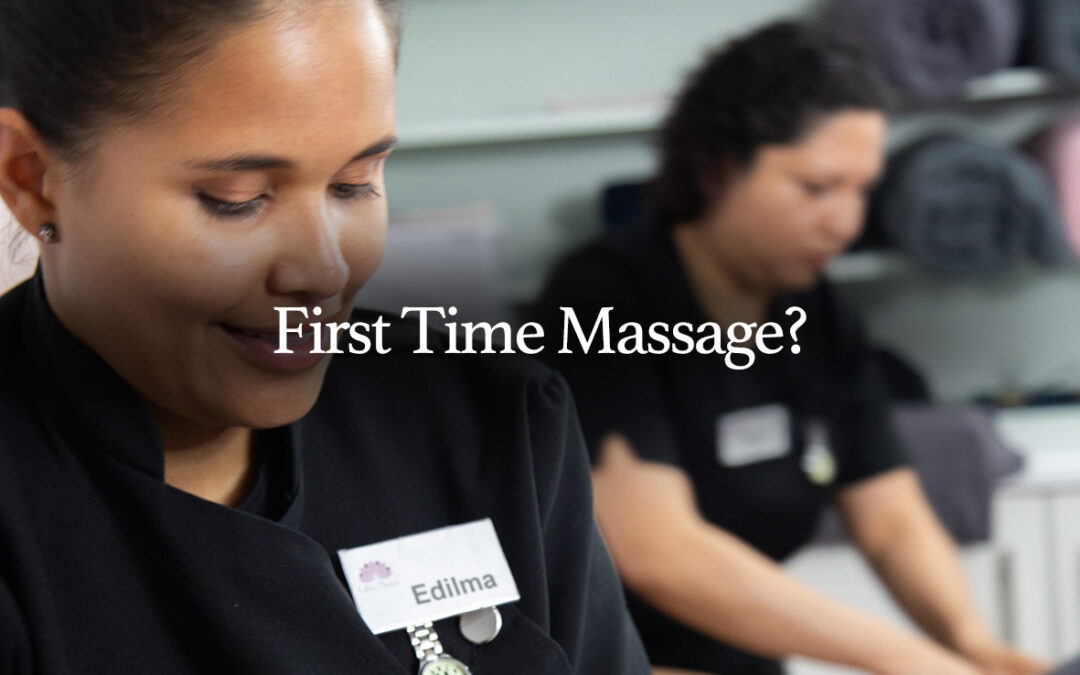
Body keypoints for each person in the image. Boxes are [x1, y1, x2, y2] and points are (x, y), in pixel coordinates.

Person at [0, 1, 649, 673]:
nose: (325, 269)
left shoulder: (487, 414)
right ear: (33, 179)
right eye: (237, 198)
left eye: (354, 184)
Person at [530, 22, 1048, 675]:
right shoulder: (605, 295)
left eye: (861, 189)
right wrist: (906, 657)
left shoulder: (815, 308)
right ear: (718, 170)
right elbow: (657, 550)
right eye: (817, 187)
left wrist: (973, 645)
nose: (847, 221)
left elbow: (889, 516)